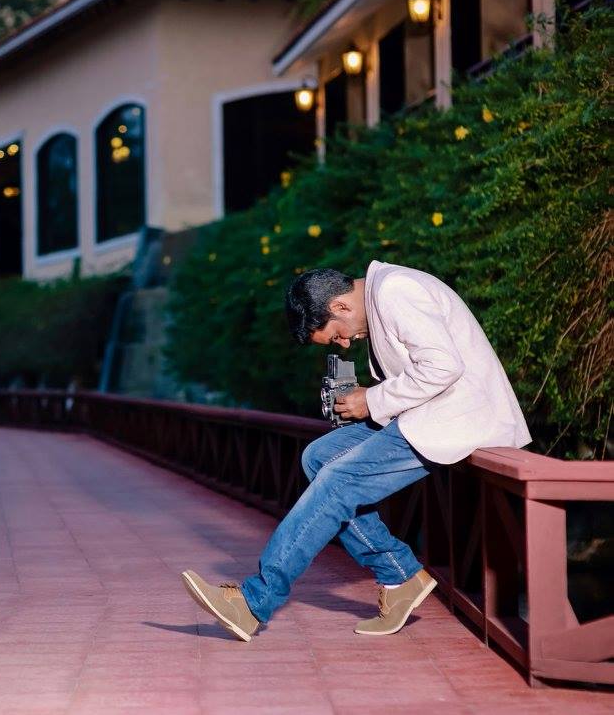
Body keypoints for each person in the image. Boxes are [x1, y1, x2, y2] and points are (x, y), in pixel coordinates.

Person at [182, 261, 530, 640]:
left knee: (338, 480)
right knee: (317, 458)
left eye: (336, 336)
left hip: (459, 419)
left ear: (340, 307)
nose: (345, 342)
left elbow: (443, 366)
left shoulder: (396, 290)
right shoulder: (384, 294)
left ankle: (254, 601)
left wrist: (372, 399)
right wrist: (366, 398)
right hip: (425, 416)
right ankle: (399, 575)